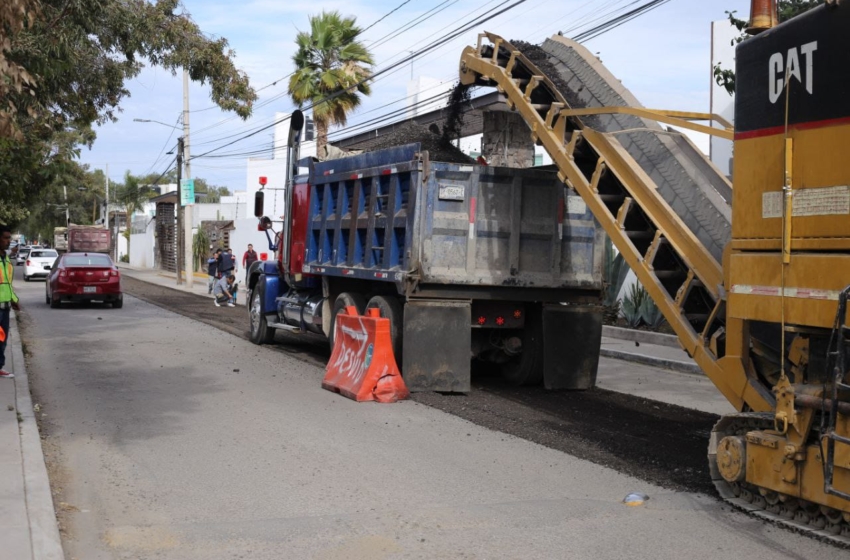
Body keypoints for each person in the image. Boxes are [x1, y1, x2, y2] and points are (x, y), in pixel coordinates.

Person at [0, 225, 21, 379]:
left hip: (5, 307)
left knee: (2, 340)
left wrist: (14, 300)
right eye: (5, 238)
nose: (8, 241)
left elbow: (7, 283)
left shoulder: (5, 259)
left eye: (9, 238)